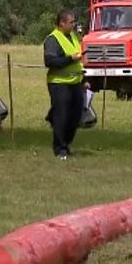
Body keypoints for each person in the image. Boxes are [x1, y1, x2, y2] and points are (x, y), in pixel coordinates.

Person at [44, 10, 85, 160]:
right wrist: (70, 59)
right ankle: (60, 149)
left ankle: (66, 143)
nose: (74, 25)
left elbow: (79, 60)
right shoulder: (52, 40)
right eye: (71, 22)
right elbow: (50, 62)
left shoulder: (74, 36)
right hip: (59, 84)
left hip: (76, 83)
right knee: (62, 116)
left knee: (76, 116)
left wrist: (84, 79)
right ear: (62, 23)